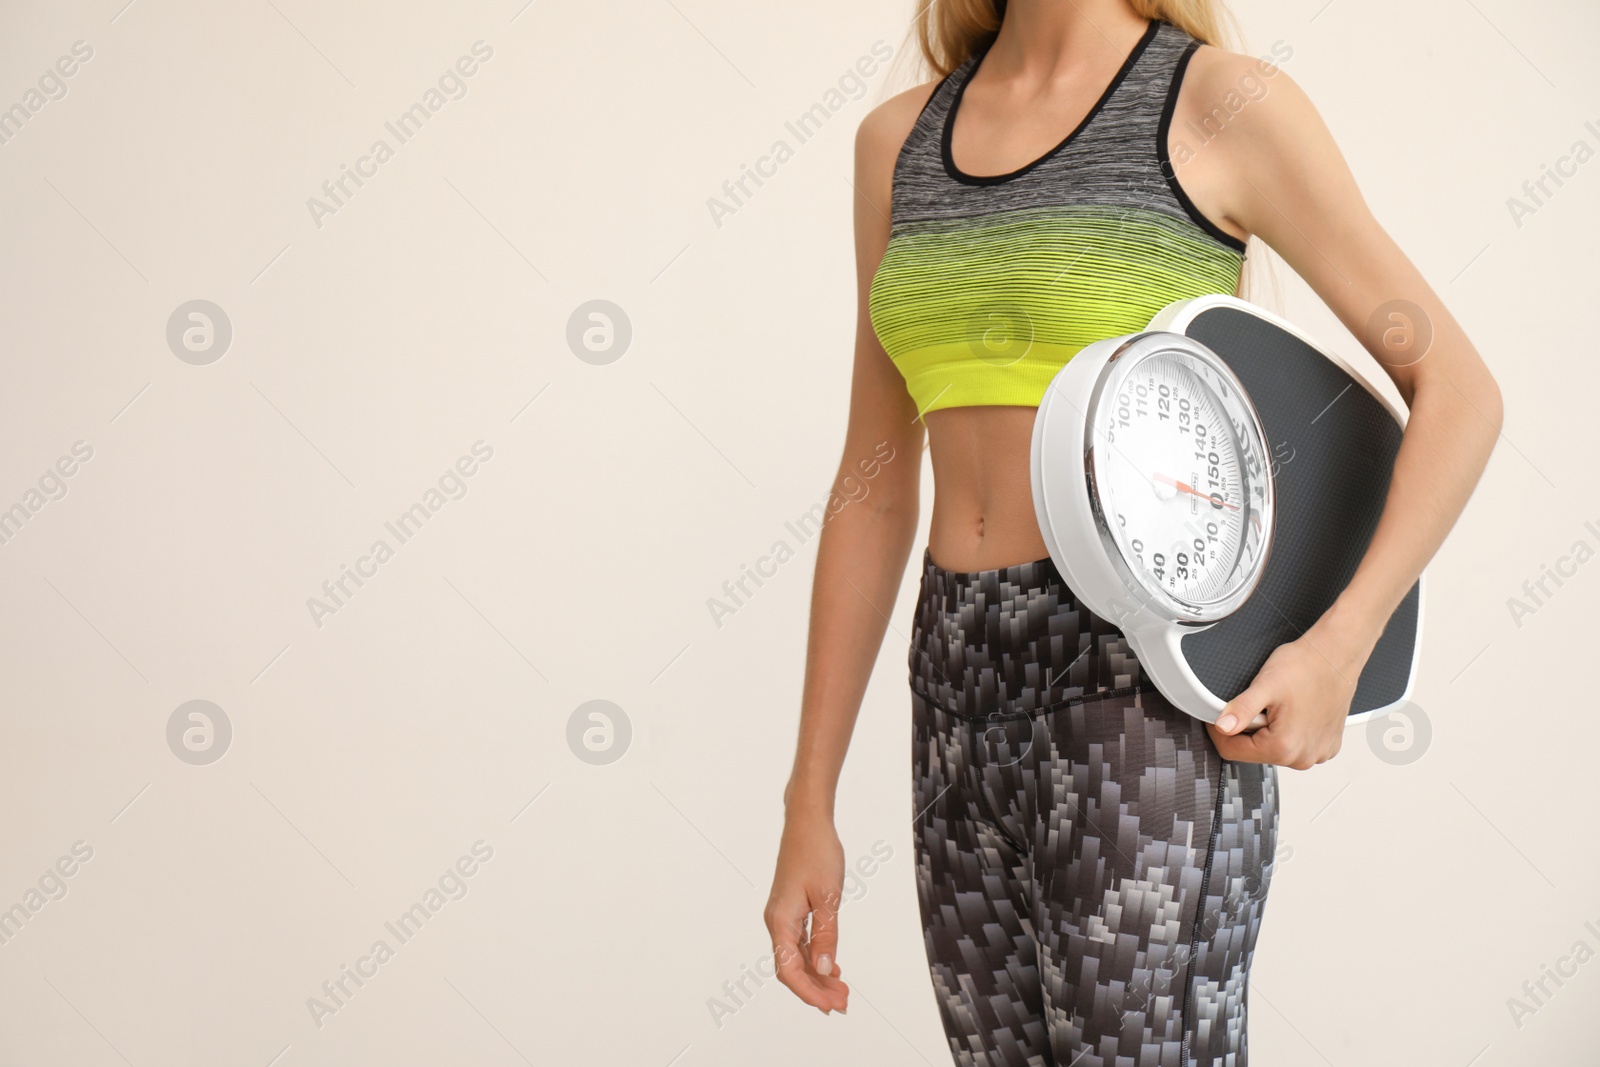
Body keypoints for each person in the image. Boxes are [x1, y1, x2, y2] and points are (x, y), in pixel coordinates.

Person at [763, 1, 1502, 1063]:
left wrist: (1338, 649)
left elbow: (1460, 391)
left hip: (1135, 690)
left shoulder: (1216, 108)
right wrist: (808, 799)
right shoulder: (896, 143)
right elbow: (873, 485)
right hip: (953, 690)